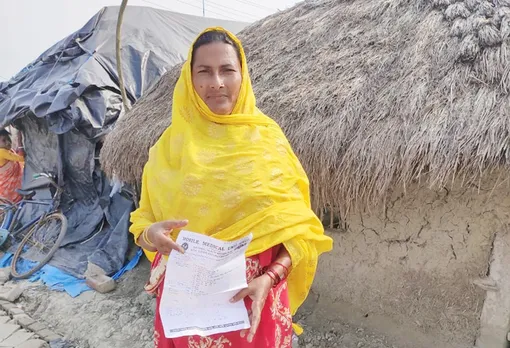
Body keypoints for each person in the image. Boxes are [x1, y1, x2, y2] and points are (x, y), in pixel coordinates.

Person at [130, 27, 333, 348]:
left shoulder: (268, 141)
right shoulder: (169, 148)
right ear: (189, 79)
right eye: (204, 72)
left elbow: (300, 231)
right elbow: (143, 219)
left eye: (227, 70)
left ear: (243, 76)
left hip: (254, 303)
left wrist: (271, 277)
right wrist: (150, 236)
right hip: (188, 308)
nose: (216, 82)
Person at [0, 129, 24, 203]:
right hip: (8, 187)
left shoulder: (7, 151)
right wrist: (20, 142)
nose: (8, 142)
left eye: (8, 139)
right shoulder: (2, 152)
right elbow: (21, 158)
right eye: (4, 140)